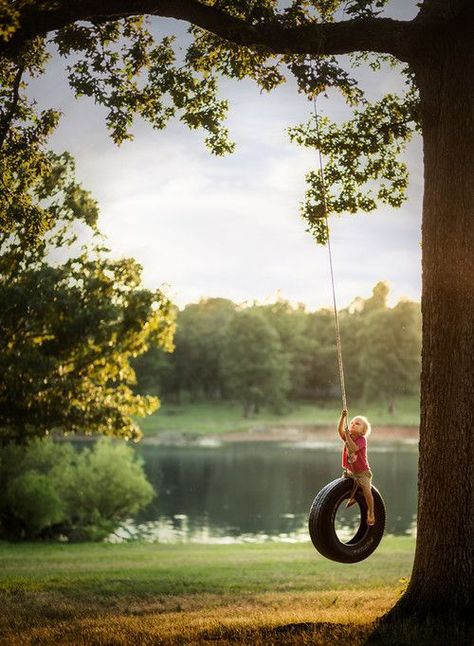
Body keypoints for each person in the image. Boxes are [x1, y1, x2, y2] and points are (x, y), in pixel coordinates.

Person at [337, 409, 375, 526]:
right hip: (350, 472)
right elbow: (339, 430)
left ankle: (371, 512)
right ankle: (354, 495)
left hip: (363, 472)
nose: (353, 424)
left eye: (357, 424)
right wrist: (343, 418)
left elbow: (353, 448)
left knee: (367, 491)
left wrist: (348, 435)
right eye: (352, 422)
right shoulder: (348, 436)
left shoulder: (362, 440)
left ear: (362, 431)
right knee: (341, 486)